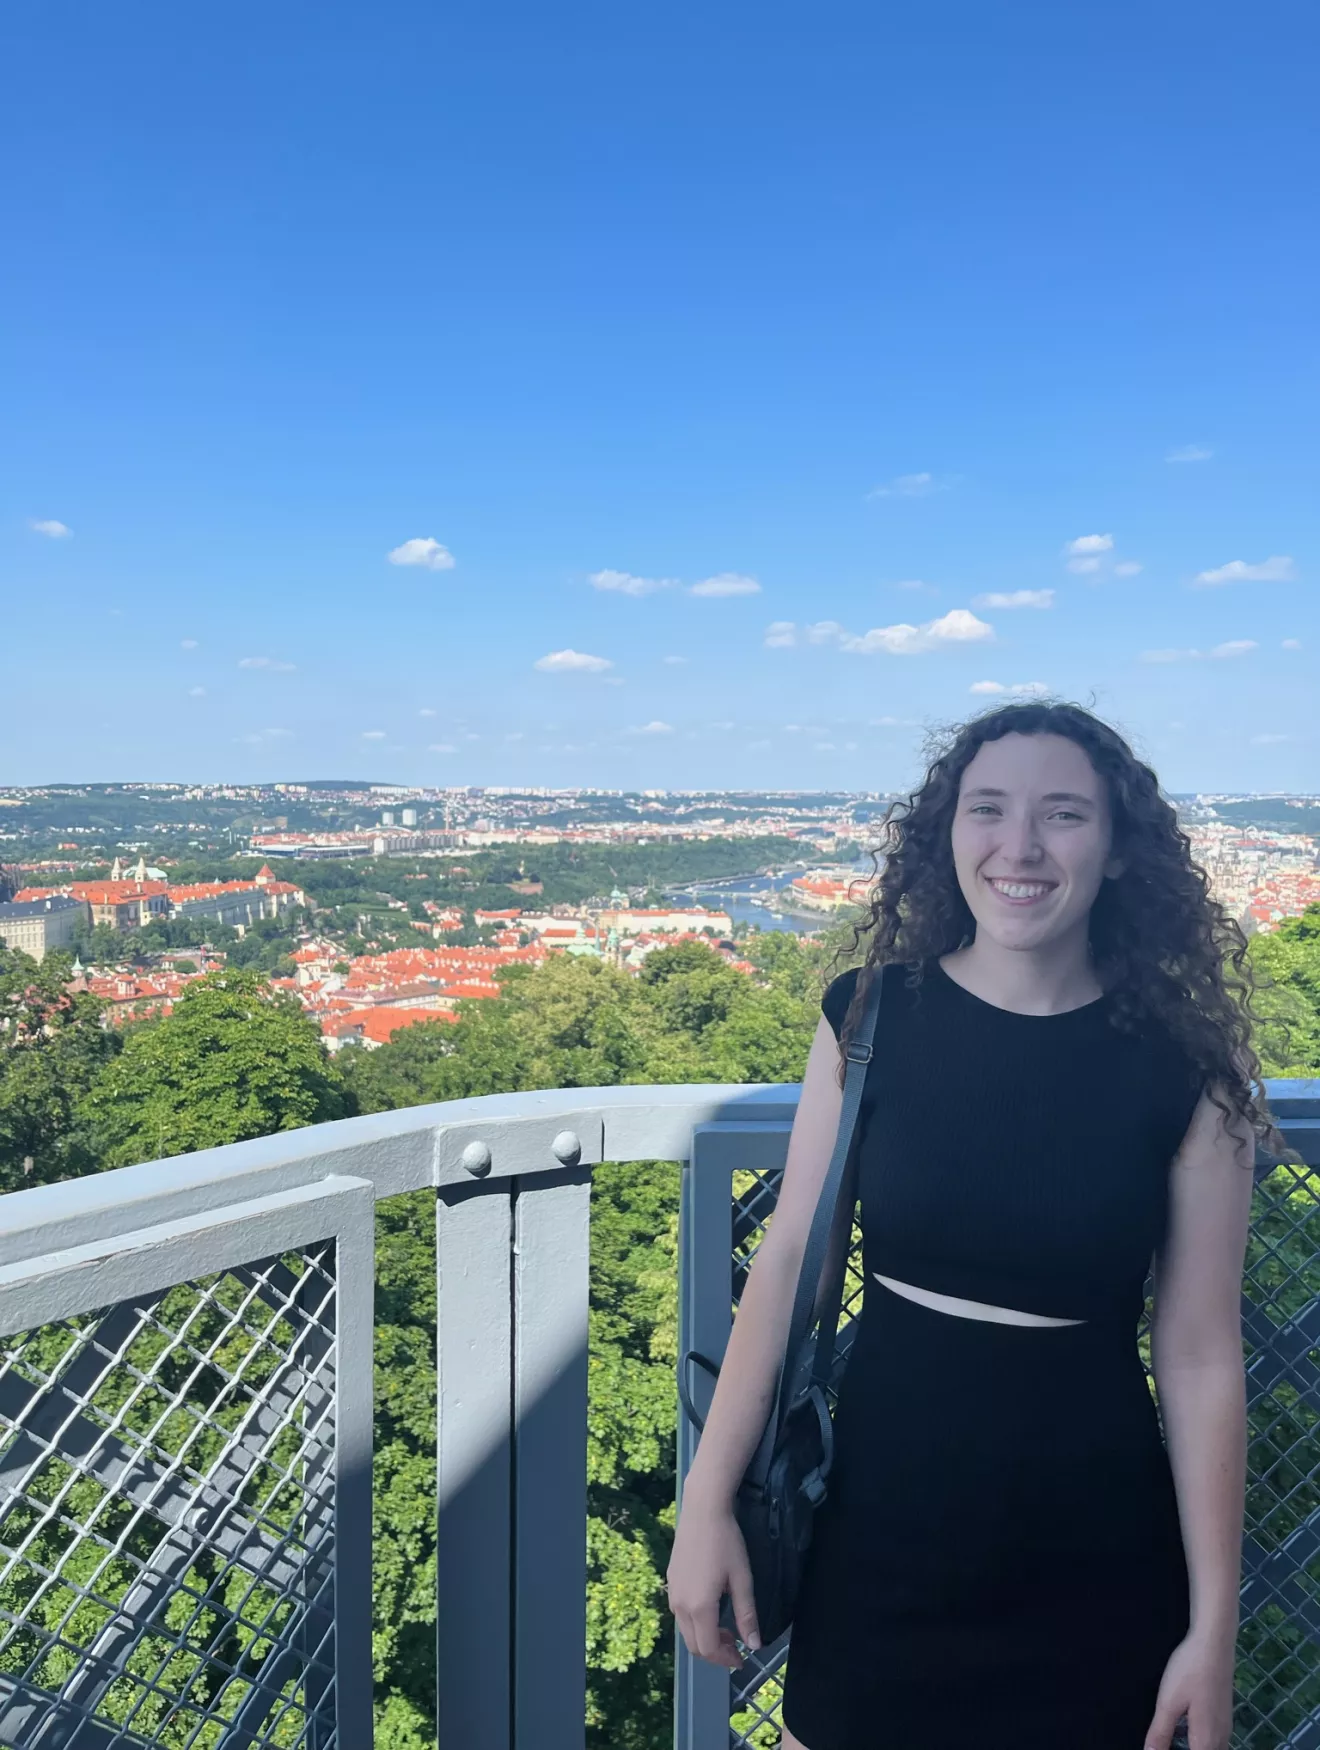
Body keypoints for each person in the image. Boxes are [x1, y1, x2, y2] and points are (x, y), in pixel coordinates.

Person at [666, 700, 1270, 1750]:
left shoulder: (1192, 1072)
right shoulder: (867, 1017)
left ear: (1120, 848)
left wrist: (1212, 1627)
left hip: (1098, 1561)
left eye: (1064, 815)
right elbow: (790, 1266)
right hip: (877, 1543)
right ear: (948, 834)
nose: (1020, 846)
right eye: (987, 809)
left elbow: (1204, 1357)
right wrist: (704, 1501)